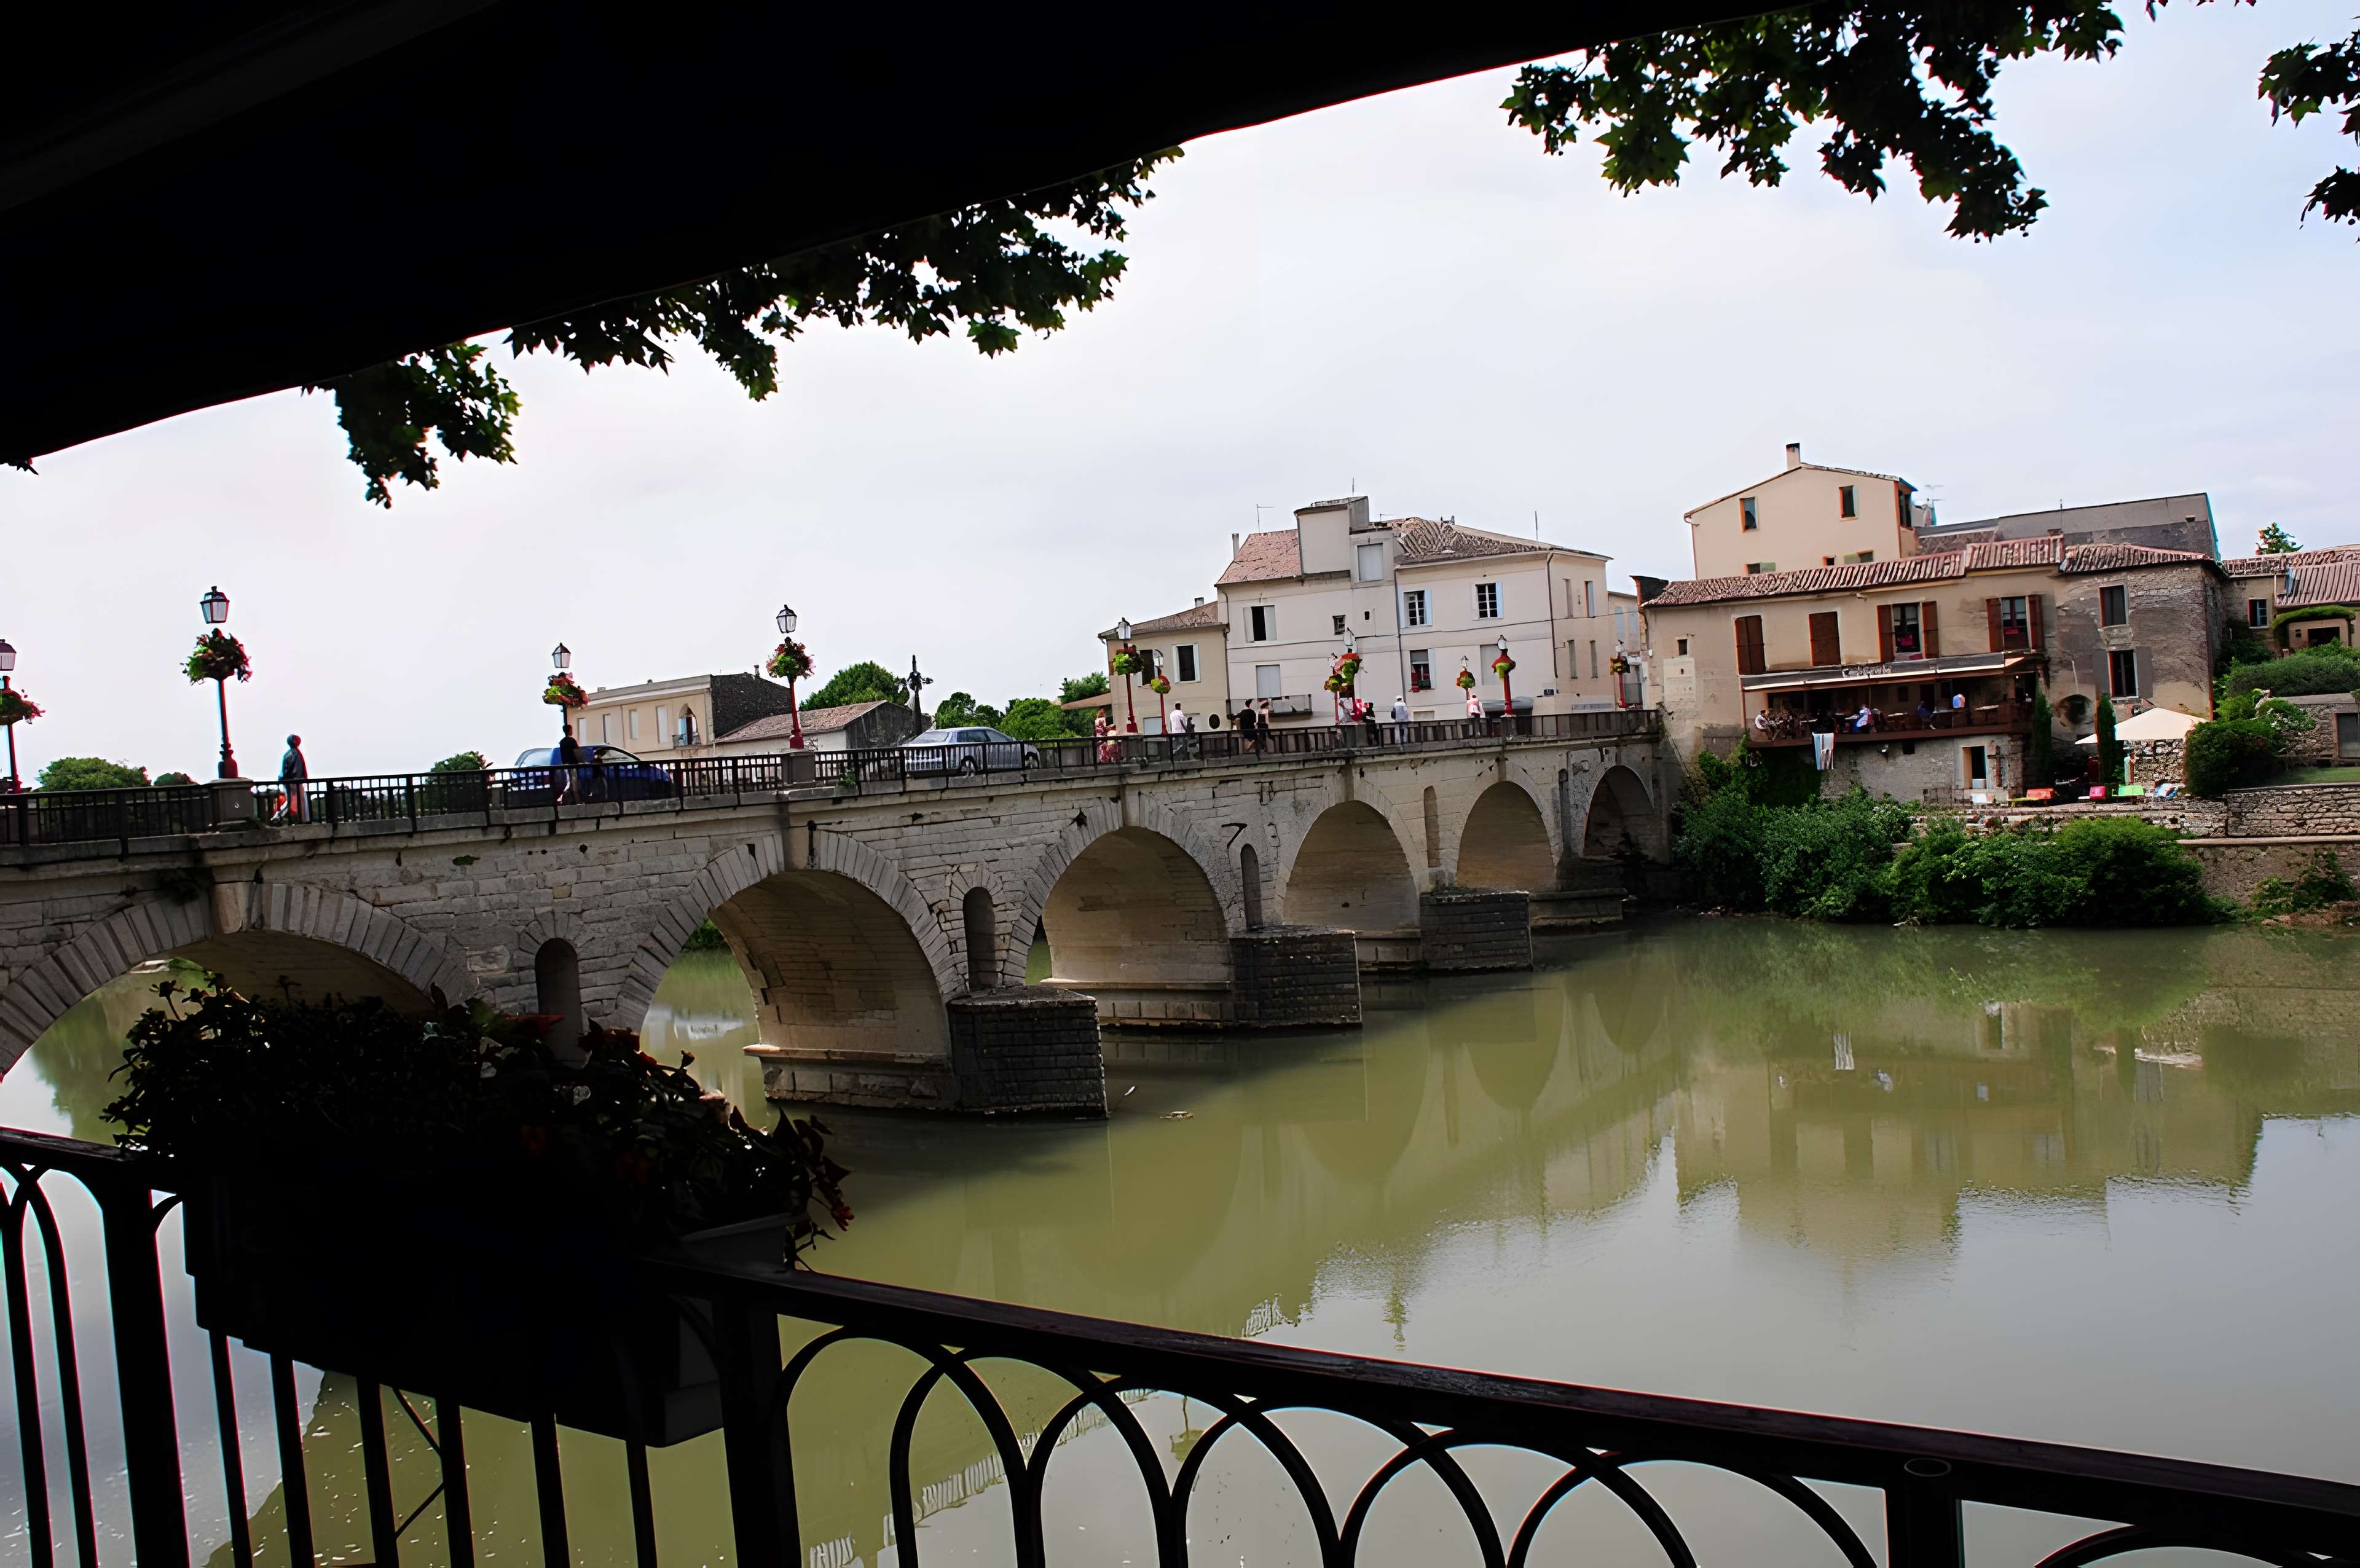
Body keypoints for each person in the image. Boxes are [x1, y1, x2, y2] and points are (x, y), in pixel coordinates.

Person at [275, 734, 308, 823]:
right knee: (291, 802)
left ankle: (298, 819)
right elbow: (290, 770)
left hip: (293, 782)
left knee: (294, 802)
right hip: (293, 782)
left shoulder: (289, 754)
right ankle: (279, 816)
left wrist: (281, 778)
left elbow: (285, 771)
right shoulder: (295, 754)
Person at [555, 723, 581, 804]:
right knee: (574, 783)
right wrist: (581, 761)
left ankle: (567, 799)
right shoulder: (572, 741)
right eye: (571, 730)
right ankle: (577, 802)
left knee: (570, 782)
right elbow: (576, 752)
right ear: (570, 730)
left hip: (566, 765)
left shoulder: (562, 742)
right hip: (573, 764)